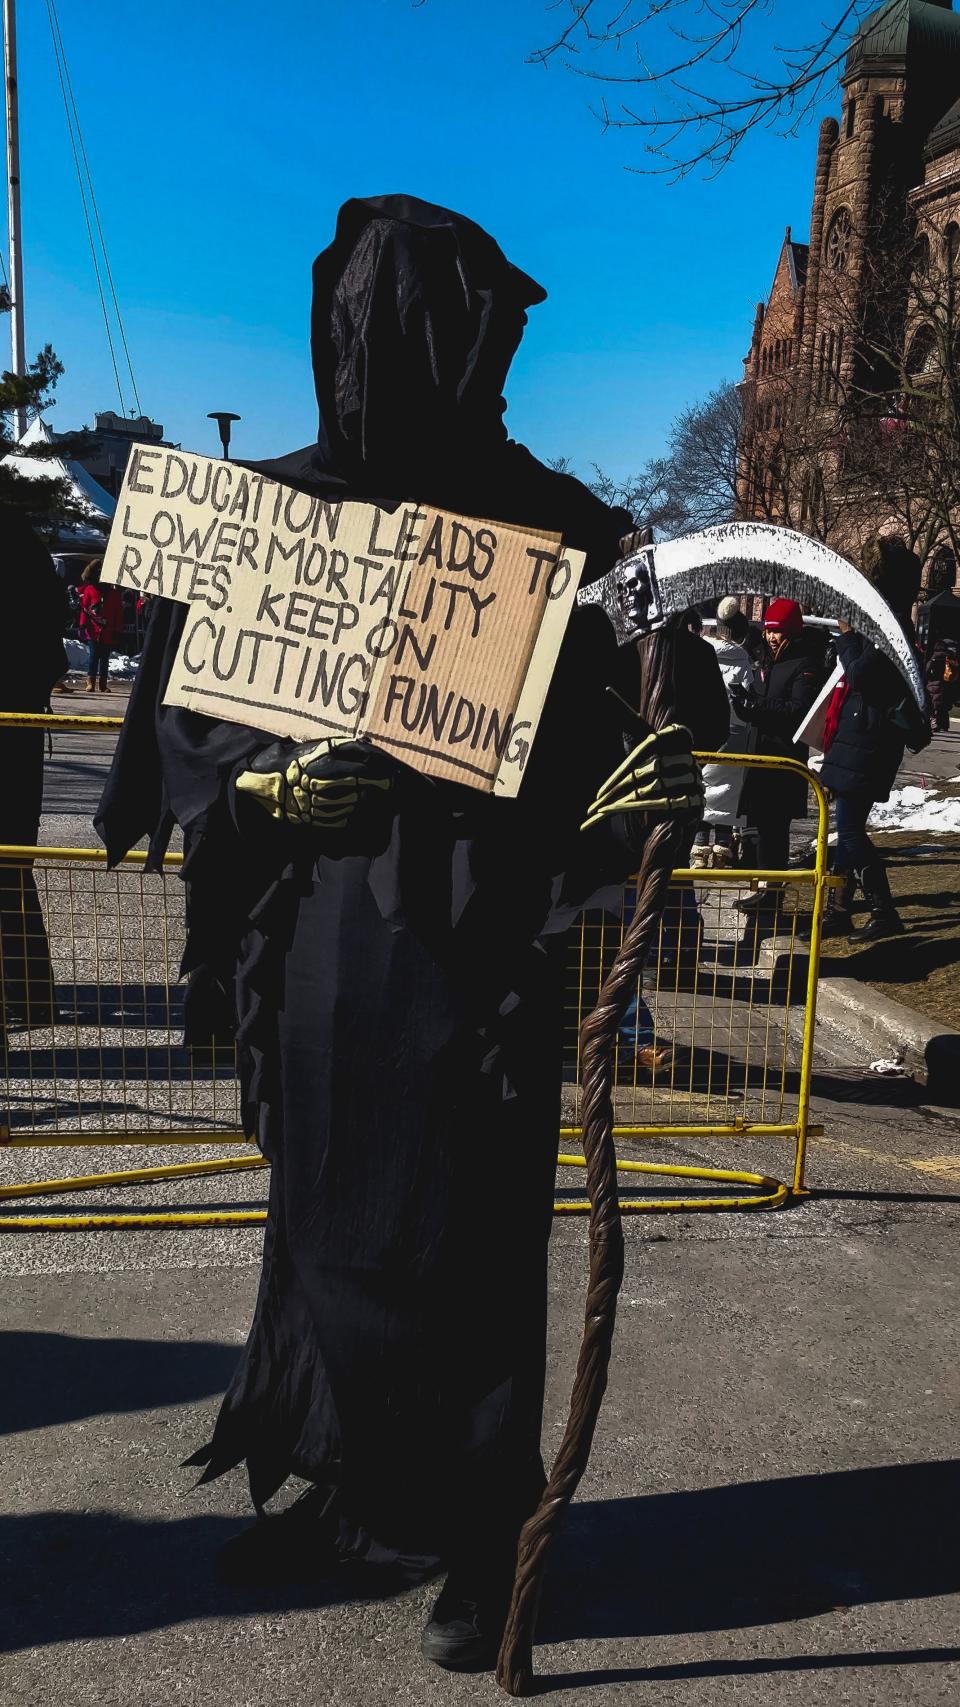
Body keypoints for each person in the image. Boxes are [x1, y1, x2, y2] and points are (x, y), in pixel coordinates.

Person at [95, 196, 699, 1673]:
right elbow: (184, 735)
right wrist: (260, 791)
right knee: (320, 1233)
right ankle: (351, 1490)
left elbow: (634, 724)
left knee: (472, 1249)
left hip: (474, 953)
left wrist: (643, 780)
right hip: (312, 952)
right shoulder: (265, 521)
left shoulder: (557, 529)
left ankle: (482, 1538)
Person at [820, 536, 923, 940]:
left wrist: (845, 636)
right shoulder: (884, 619)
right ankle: (840, 910)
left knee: (848, 831)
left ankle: (884, 912)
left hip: (869, 740)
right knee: (847, 826)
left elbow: (862, 673)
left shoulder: (892, 624)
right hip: (860, 737)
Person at [0, 503, 68, 1028]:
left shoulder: (18, 544)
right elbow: (53, 649)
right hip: (21, 722)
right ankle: (28, 993)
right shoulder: (27, 544)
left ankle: (23, 996)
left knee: (10, 865)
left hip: (14, 722)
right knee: (13, 863)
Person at [732, 598, 824, 909]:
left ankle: (772, 894)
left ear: (793, 632)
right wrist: (744, 706)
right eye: (769, 631)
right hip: (761, 753)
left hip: (784, 760)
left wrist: (756, 705)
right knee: (760, 824)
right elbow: (764, 706)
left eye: (778, 632)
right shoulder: (767, 659)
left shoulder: (805, 664)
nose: (772, 637)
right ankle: (764, 887)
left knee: (775, 828)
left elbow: (796, 710)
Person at [693, 597, 755, 868]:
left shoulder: (700, 652)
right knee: (728, 791)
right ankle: (721, 849)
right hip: (734, 734)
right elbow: (750, 698)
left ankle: (698, 850)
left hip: (702, 730)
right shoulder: (743, 659)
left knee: (700, 787)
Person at [78, 559, 124, 692]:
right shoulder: (89, 590)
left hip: (108, 631)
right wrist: (82, 625)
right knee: (93, 657)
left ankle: (102, 685)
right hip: (93, 630)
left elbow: (118, 613)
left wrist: (118, 630)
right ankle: (90, 682)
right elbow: (84, 609)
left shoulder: (114, 594)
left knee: (104, 659)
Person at [925, 636, 958, 733]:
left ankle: (934, 724)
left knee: (935, 706)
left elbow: (927, 670)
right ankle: (944, 725)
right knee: (944, 707)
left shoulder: (935, 656)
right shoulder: (951, 657)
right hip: (947, 683)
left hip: (934, 683)